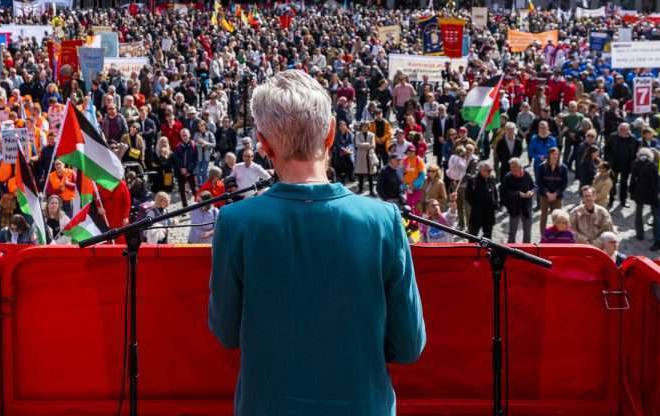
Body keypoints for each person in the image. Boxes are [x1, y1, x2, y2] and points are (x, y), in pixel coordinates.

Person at [208, 69, 425, 416]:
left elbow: (226, 332)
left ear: (263, 145)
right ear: (330, 134)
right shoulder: (383, 222)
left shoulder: (236, 224)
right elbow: (409, 345)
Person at [534, 147, 568, 236]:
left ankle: (556, 235)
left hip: (557, 197)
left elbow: (564, 183)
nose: (554, 156)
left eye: (556, 154)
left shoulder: (563, 168)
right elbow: (539, 182)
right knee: (543, 216)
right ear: (549, 155)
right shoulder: (542, 167)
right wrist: (547, 193)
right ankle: (543, 235)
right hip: (544, 196)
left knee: (557, 217)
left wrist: (556, 193)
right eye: (553, 154)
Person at [501, 158, 535, 243]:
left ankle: (527, 251)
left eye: (515, 167)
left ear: (520, 167)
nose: (513, 169)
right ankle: (511, 250)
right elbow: (504, 192)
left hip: (526, 207)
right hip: (514, 207)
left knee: (527, 231)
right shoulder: (508, 177)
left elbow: (534, 186)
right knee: (512, 232)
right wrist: (518, 194)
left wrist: (532, 192)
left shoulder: (526, 174)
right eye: (511, 167)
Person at [629, 149, 659, 241]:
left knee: (639, 213)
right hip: (652, 192)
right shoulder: (653, 165)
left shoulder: (635, 163)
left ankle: (640, 234)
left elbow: (633, 179)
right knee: (655, 213)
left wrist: (631, 191)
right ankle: (656, 234)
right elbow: (656, 180)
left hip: (639, 191)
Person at [464, 161, 500, 239]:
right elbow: (468, 196)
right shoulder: (473, 180)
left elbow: (495, 193)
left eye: (491, 170)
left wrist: (495, 204)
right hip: (477, 213)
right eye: (488, 170)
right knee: (473, 236)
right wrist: (477, 206)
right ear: (481, 170)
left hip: (489, 214)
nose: (490, 172)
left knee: (487, 238)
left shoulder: (491, 179)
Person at [354, 122, 378, 195]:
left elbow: (373, 145)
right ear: (361, 127)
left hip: (369, 156)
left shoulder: (372, 135)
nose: (364, 128)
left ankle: (371, 190)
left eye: (366, 127)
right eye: (363, 127)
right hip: (361, 156)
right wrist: (368, 144)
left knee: (371, 175)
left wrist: (363, 145)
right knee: (360, 174)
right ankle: (360, 189)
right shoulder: (357, 134)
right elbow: (357, 144)